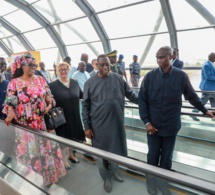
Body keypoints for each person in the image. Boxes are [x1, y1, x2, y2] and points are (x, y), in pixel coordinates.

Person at [138, 46, 214, 195]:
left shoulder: (181, 76)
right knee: (152, 156)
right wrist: (147, 122)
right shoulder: (150, 76)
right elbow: (142, 100)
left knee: (167, 158)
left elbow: (191, 96)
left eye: (162, 57)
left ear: (171, 57)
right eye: (157, 57)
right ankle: (151, 184)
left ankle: (163, 183)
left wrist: (205, 110)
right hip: (152, 127)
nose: (159, 60)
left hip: (171, 126)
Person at [2, 53, 66, 186]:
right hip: (25, 127)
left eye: (35, 64)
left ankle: (47, 181)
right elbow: (10, 103)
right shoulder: (14, 83)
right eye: (30, 64)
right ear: (21, 65)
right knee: (31, 156)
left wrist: (49, 105)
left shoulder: (41, 80)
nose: (33, 67)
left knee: (45, 154)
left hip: (42, 125)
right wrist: (10, 112)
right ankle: (33, 184)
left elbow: (51, 98)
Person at [82, 54, 138, 193]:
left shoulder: (118, 78)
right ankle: (106, 177)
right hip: (98, 126)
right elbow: (85, 106)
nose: (106, 67)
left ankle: (114, 171)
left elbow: (130, 94)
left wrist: (145, 102)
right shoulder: (90, 82)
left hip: (116, 123)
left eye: (108, 64)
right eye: (102, 65)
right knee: (102, 154)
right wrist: (87, 127)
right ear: (97, 65)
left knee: (116, 150)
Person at [49, 62, 85, 168]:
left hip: (75, 116)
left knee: (73, 137)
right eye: (60, 70)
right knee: (64, 139)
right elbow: (49, 101)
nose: (63, 72)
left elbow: (82, 95)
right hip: (62, 118)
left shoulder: (74, 83)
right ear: (57, 72)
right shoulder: (53, 86)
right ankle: (64, 160)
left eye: (65, 69)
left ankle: (71, 155)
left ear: (69, 70)